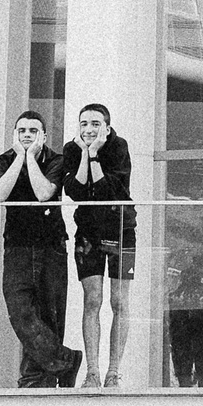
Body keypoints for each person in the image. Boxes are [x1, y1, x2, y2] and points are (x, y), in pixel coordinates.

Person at [0, 109, 79, 387]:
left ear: (44, 135)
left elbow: (43, 193)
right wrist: (20, 158)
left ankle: (35, 378)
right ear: (14, 134)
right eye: (22, 131)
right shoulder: (2, 161)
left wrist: (30, 159)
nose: (27, 135)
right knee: (20, 310)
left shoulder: (56, 160)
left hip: (51, 244)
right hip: (17, 244)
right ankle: (65, 360)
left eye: (33, 131)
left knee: (49, 312)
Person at [59, 103, 136, 388]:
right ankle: (92, 371)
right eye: (83, 124)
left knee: (119, 300)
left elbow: (107, 191)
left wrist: (94, 157)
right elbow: (76, 191)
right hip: (88, 232)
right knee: (92, 299)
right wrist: (85, 154)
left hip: (122, 229)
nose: (88, 129)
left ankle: (113, 371)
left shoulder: (119, 147)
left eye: (94, 123)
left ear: (106, 126)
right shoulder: (71, 149)